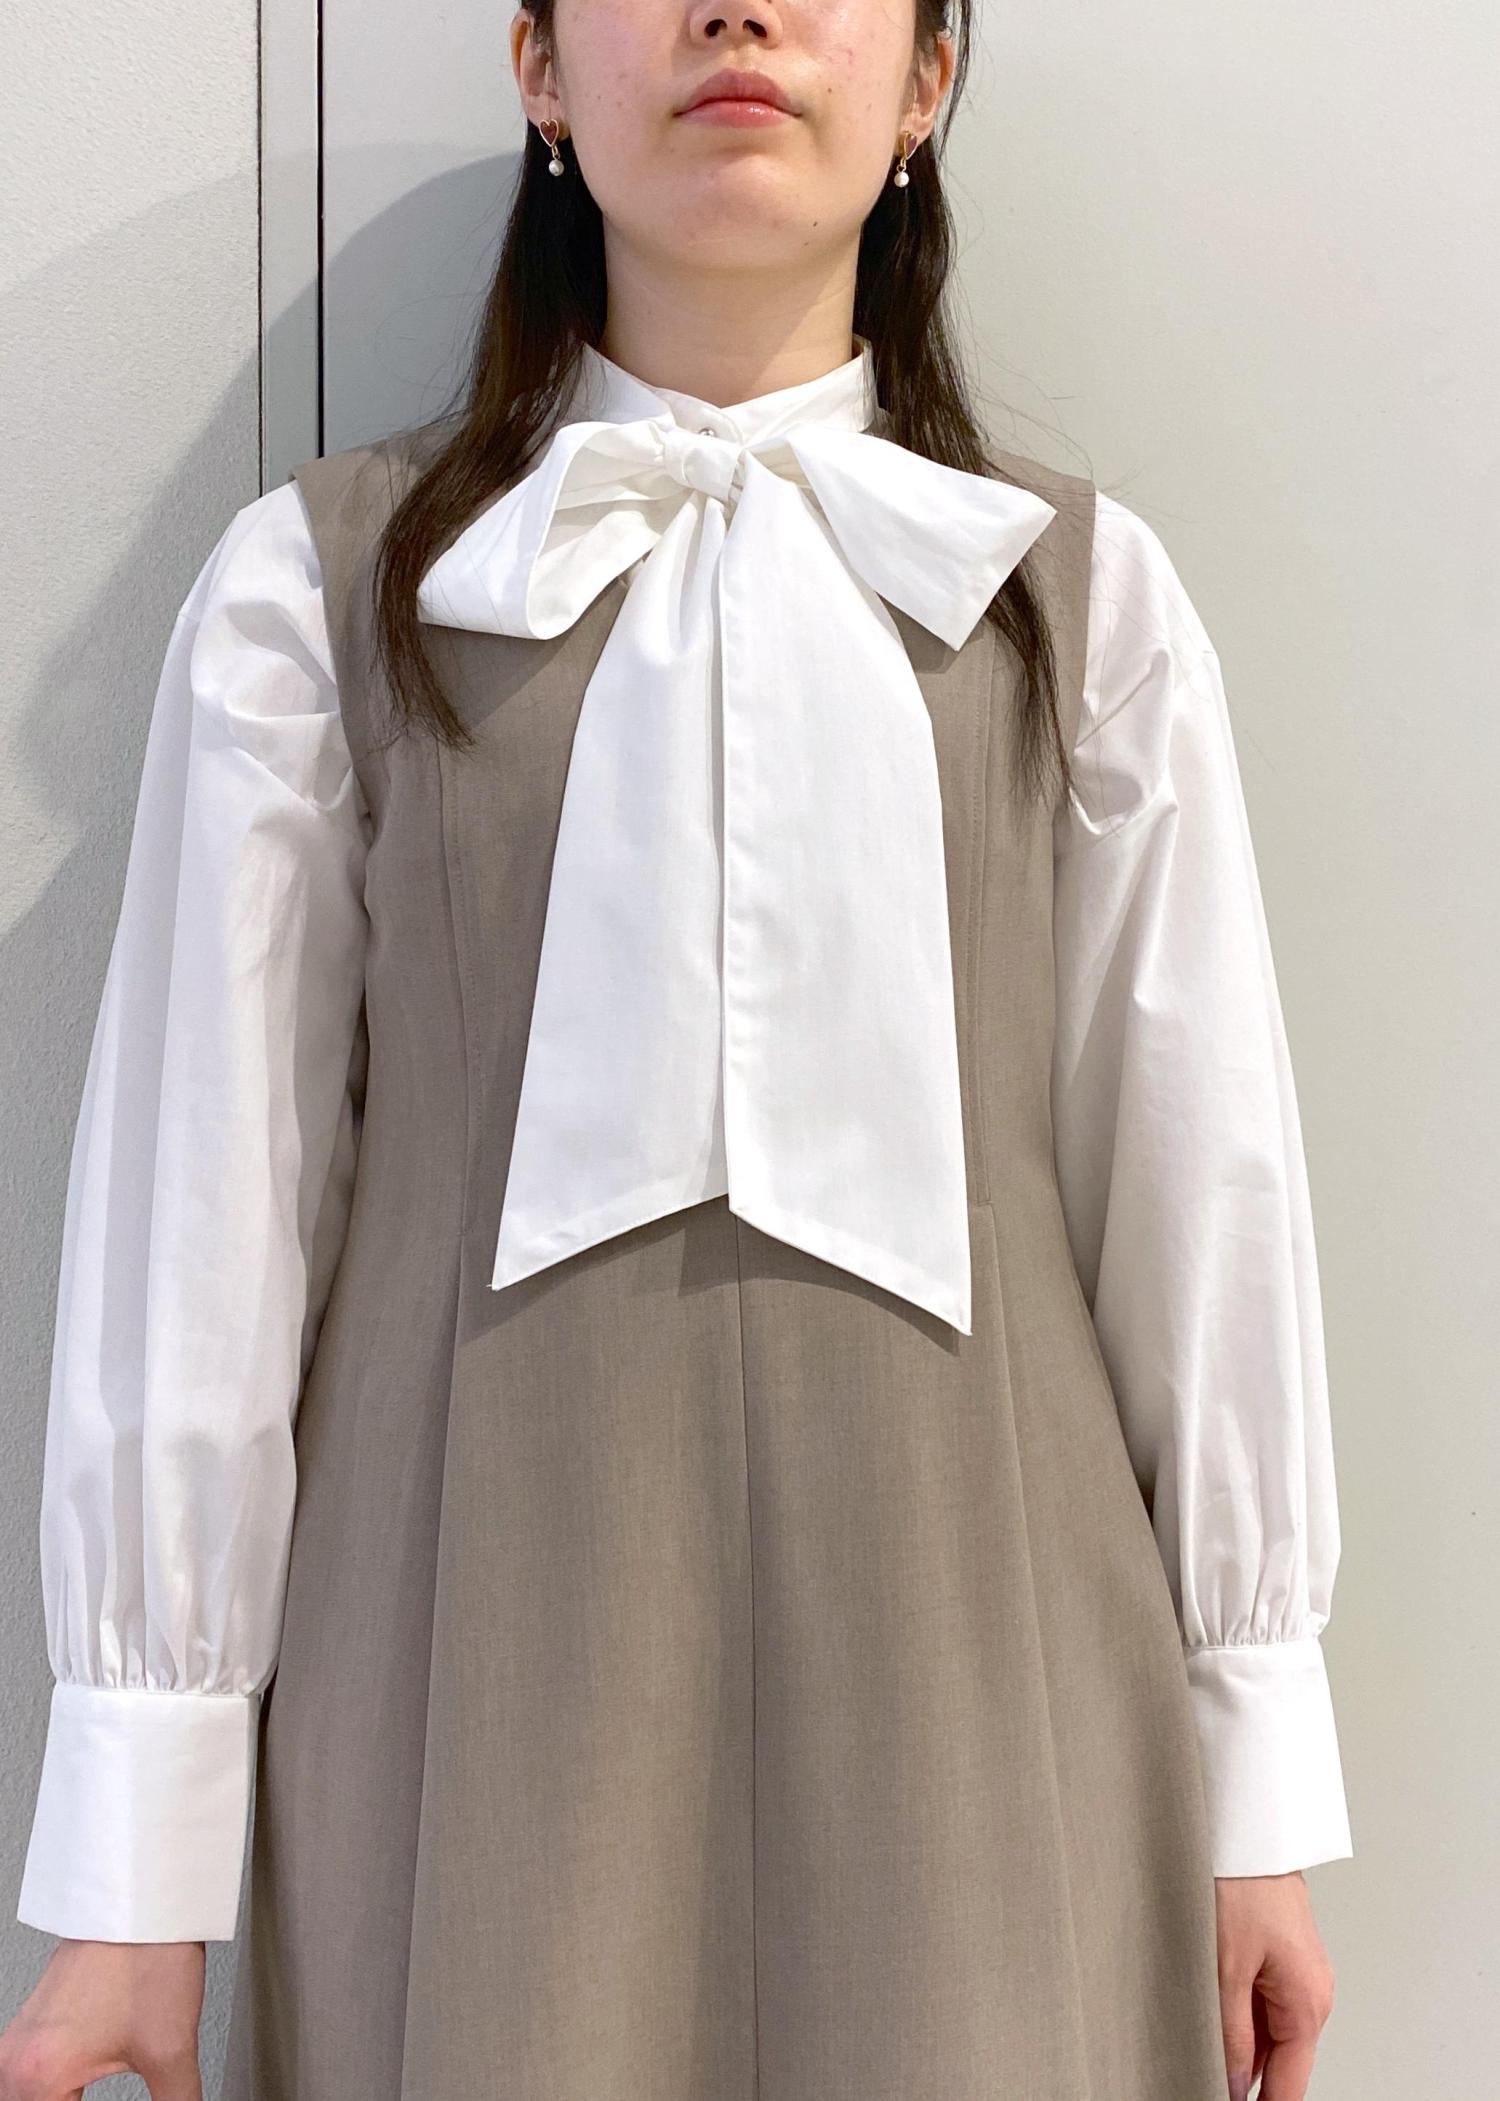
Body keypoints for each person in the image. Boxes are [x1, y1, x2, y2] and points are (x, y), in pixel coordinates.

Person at [2, 2, 1353, 2097]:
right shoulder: (323, 597)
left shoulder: (1084, 610)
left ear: (926, 81)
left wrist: (1255, 1774)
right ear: (541, 67)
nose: (737, 8)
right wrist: (130, 1869)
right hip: (465, 1657)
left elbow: (1202, 1200)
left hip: (995, 1661)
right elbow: (203, 1222)